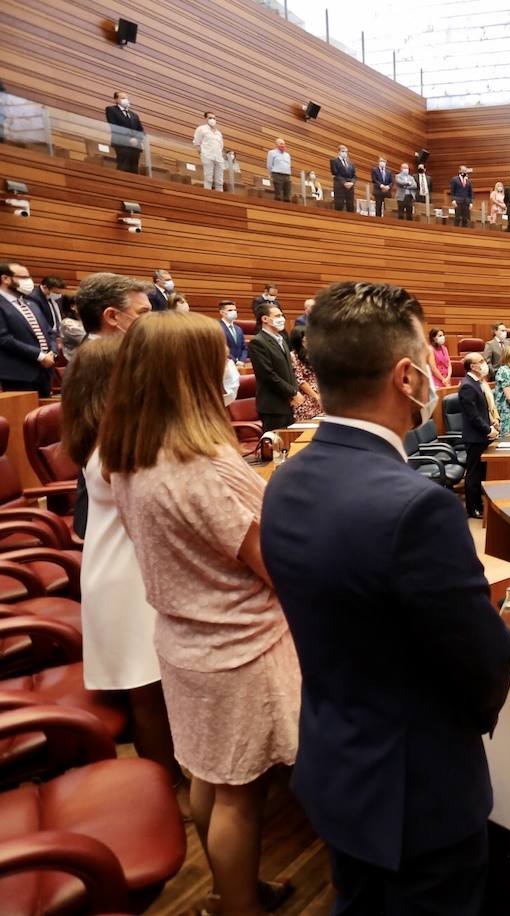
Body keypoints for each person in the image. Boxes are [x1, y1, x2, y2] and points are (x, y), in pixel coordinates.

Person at [261, 282, 510, 914]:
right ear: (407, 376)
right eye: (428, 357)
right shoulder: (418, 507)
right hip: (417, 800)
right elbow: (483, 670)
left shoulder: (284, 480)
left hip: (337, 772)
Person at [102, 312, 300, 916]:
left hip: (183, 641)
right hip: (239, 647)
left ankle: (228, 890)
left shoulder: (131, 456)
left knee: (210, 778)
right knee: (241, 795)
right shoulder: (209, 464)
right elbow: (275, 565)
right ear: (191, 374)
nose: (227, 370)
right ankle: (237, 905)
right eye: (217, 360)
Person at [62, 335, 185, 811]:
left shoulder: (99, 437)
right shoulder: (119, 446)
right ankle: (167, 792)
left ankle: (167, 783)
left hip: (112, 570)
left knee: (147, 687)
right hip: (125, 577)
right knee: (147, 690)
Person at [0, 260, 57, 397]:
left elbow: (49, 332)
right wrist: (40, 355)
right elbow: (4, 339)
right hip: (19, 375)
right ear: (5, 279)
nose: (29, 281)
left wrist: (52, 353)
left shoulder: (31, 304)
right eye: (24, 277)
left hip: (45, 372)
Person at [249, 303, 301, 431]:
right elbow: (268, 375)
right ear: (265, 319)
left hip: (287, 403)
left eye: (282, 315)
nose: (282, 318)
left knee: (289, 444)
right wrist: (292, 392)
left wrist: (294, 392)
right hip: (273, 406)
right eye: (277, 315)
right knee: (275, 447)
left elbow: (290, 370)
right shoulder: (258, 342)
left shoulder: (282, 339)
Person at [457, 353, 497, 516]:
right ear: (473, 366)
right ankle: (473, 508)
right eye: (480, 361)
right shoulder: (467, 385)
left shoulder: (476, 383)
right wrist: (488, 430)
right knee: (473, 473)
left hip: (481, 435)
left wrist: (492, 422)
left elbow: (481, 410)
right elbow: (473, 416)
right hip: (475, 438)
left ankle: (479, 504)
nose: (484, 363)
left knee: (480, 471)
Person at [104, 89, 144, 174]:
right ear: (116, 100)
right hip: (121, 143)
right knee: (123, 167)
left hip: (135, 146)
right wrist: (129, 139)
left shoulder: (134, 115)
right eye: (122, 98)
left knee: (134, 169)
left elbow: (140, 130)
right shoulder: (111, 110)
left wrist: (137, 140)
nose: (125, 100)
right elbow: (114, 127)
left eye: (126, 98)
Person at [192, 112, 225, 191]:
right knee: (208, 179)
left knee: (219, 181)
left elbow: (221, 146)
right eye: (210, 118)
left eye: (214, 118)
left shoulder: (218, 133)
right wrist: (202, 155)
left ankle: (220, 198)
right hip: (207, 156)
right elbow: (196, 143)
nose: (212, 120)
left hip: (219, 158)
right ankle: (207, 196)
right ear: (205, 119)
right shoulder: (201, 129)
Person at [331, 145, 357, 213]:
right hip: (339, 186)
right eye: (343, 151)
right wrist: (344, 183)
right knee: (339, 206)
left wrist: (352, 183)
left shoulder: (351, 163)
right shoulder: (334, 161)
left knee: (350, 206)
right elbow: (335, 173)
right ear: (338, 152)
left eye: (346, 152)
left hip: (350, 187)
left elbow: (354, 176)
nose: (345, 153)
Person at [267, 138, 292, 202]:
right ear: (276, 144)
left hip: (287, 175)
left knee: (287, 195)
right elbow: (269, 165)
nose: (283, 145)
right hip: (277, 174)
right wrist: (270, 174)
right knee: (278, 195)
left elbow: (289, 166)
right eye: (281, 143)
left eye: (284, 144)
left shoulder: (287, 155)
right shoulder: (271, 153)